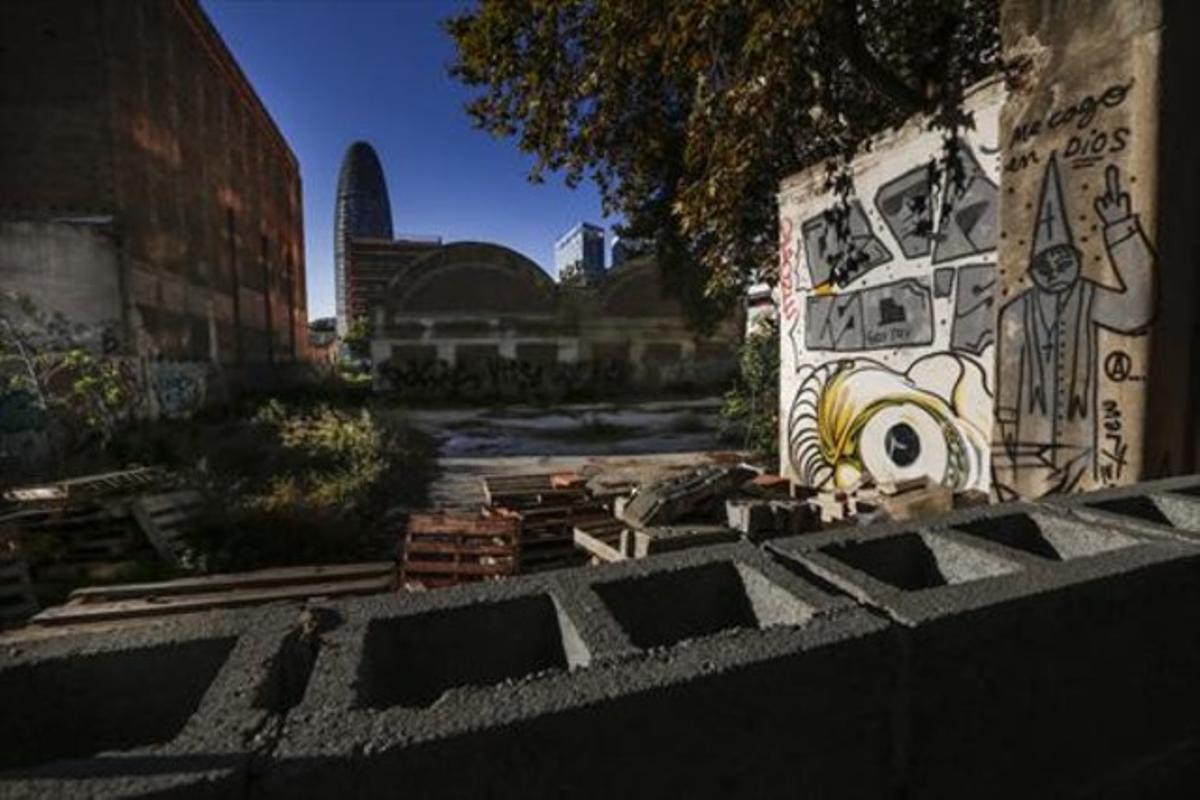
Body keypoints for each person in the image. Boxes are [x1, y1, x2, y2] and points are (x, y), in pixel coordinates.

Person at [994, 156, 1155, 496]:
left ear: (1076, 259)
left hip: (1078, 436)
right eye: (1044, 264)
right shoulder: (1016, 311)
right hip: (1027, 441)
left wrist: (1121, 228)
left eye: (1062, 260)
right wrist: (1007, 438)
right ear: (1033, 269)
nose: (1054, 271)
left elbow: (1135, 309)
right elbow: (1008, 375)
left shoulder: (1087, 295)